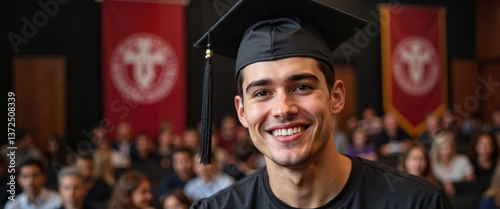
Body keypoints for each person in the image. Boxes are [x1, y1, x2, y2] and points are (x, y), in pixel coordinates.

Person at [190, 0, 453, 208]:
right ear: (242, 112)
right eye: (262, 93)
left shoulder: (415, 202)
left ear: (336, 97)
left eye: (302, 87)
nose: (283, 109)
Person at [430, 132, 476, 197]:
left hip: (462, 196)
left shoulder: (462, 159)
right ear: (437, 149)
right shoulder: (431, 163)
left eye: (450, 146)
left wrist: (452, 184)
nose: (448, 151)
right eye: (444, 148)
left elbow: (471, 181)